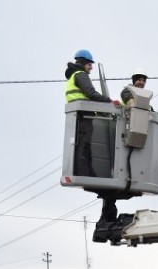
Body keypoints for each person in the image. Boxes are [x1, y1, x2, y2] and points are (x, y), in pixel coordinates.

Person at [64, 49, 120, 178]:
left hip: (77, 115)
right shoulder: (81, 75)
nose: (91, 67)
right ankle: (84, 174)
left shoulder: (73, 76)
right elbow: (91, 93)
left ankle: (88, 173)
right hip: (84, 115)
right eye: (89, 64)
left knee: (81, 146)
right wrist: (110, 102)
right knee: (84, 146)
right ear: (83, 63)